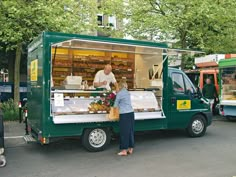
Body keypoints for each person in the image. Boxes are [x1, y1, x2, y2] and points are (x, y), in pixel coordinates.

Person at [114, 79, 135, 156]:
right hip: (131, 113)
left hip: (124, 114)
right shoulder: (127, 92)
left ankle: (124, 150)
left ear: (119, 86)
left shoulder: (119, 93)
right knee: (130, 131)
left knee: (124, 132)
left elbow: (115, 105)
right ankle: (130, 148)